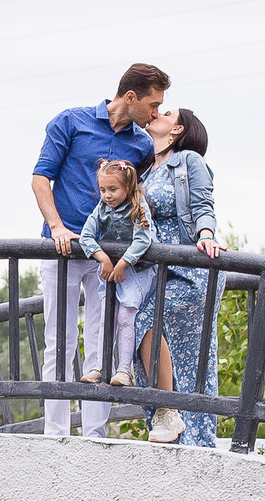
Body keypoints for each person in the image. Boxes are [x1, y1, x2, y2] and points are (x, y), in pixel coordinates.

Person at [30, 64, 166, 436]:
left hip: (111, 259)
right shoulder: (70, 122)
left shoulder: (140, 144)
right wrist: (57, 226)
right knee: (59, 341)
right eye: (153, 105)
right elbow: (41, 177)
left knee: (100, 342)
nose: (155, 114)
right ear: (131, 97)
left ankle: (94, 435)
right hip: (63, 250)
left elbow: (138, 201)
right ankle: (55, 434)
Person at [131, 107, 226, 447]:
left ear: (177, 129)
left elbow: (203, 203)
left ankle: (183, 427)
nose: (156, 113)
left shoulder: (188, 161)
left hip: (191, 272)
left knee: (192, 361)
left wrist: (205, 234)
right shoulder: (144, 169)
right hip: (156, 275)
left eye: (166, 112)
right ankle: (169, 418)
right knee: (136, 324)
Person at [76, 159, 160, 386]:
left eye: (113, 190)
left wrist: (123, 262)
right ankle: (100, 367)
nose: (107, 195)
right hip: (110, 269)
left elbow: (144, 239)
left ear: (128, 188)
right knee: (107, 317)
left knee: (125, 317)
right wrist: (102, 257)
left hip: (134, 270)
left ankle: (124, 370)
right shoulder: (101, 208)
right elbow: (86, 235)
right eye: (103, 190)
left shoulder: (137, 206)